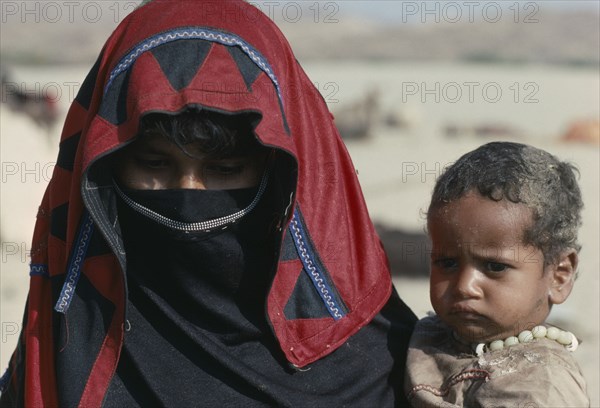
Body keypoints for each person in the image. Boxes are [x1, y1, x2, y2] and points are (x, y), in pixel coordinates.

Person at [0, 0, 417, 406]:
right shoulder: (64, 339)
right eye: (154, 164)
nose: (189, 196)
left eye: (227, 169)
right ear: (105, 168)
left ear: (278, 174)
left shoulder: (381, 361)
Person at [404, 142, 589, 406]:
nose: (465, 286)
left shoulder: (540, 384)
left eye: (495, 267)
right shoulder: (429, 335)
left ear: (558, 275)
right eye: (447, 263)